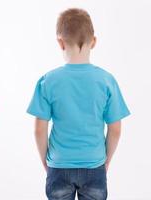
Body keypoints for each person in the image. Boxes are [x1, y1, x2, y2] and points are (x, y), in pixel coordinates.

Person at [27, 8, 130, 200]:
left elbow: (39, 130)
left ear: (60, 42)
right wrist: (106, 161)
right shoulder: (107, 81)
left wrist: (46, 162)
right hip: (94, 164)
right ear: (94, 42)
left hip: (59, 165)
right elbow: (115, 129)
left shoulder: (48, 81)